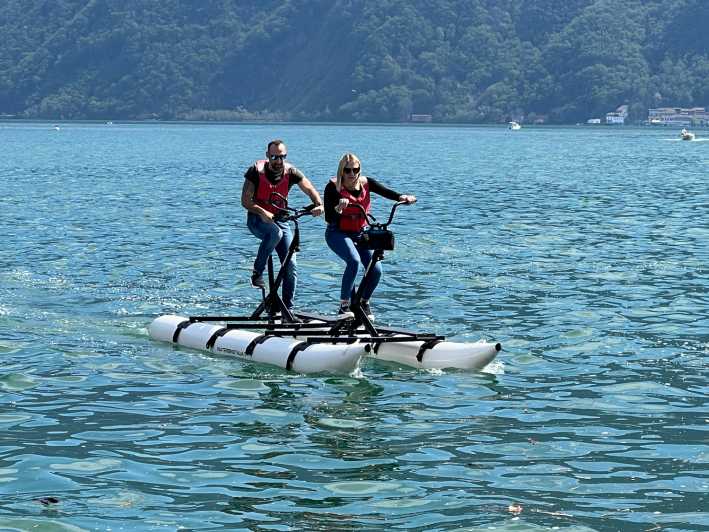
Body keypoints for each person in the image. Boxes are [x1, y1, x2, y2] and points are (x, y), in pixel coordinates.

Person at [324, 152, 416, 319]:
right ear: (341, 171)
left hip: (359, 233)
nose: (351, 174)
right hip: (337, 232)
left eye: (355, 169)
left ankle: (362, 302)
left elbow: (386, 192)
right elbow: (328, 217)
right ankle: (344, 306)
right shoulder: (333, 187)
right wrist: (338, 209)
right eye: (347, 170)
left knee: (376, 270)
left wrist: (402, 197)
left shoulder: (366, 183)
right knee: (354, 261)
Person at [241, 139, 323, 310]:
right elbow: (245, 201)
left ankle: (287, 310)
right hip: (257, 219)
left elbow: (309, 188)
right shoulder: (255, 171)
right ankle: (257, 272)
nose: (278, 161)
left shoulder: (291, 171)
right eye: (274, 157)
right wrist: (263, 212)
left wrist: (318, 204)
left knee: (291, 264)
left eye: (282, 157)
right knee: (274, 233)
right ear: (267, 156)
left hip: (281, 219)